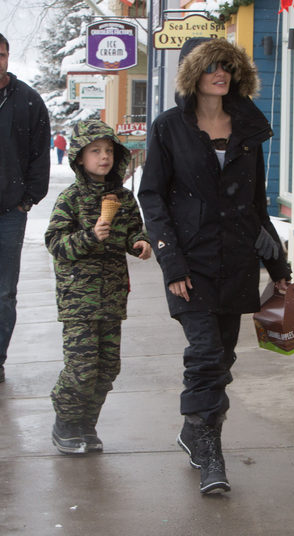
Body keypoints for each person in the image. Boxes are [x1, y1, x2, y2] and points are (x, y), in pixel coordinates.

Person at [139, 38, 291, 494]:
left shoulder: (246, 126)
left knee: (223, 359)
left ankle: (194, 431)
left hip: (238, 259)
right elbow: (153, 196)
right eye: (210, 65)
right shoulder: (169, 127)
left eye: (227, 65)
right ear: (192, 73)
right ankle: (210, 454)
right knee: (205, 356)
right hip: (190, 263)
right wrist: (171, 262)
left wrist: (278, 267)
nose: (219, 73)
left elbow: (255, 205)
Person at [45, 119, 151, 454]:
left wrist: (140, 242)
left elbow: (135, 229)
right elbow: (55, 243)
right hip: (78, 299)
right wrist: (89, 237)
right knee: (82, 367)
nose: (103, 157)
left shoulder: (122, 197)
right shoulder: (71, 199)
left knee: (107, 366)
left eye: (108, 151)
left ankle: (86, 424)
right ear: (79, 157)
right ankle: (66, 421)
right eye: (95, 151)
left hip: (112, 296)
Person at [0, 33, 51, 384]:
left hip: (9, 214)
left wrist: (27, 199)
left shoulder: (28, 101)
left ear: (8, 57)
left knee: (3, 291)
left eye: (0, 54)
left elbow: (39, 157)